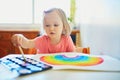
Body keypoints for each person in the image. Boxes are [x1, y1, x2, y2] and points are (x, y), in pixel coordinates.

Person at [11, 8, 85, 54]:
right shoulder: (42, 40)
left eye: (56, 25)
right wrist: (20, 37)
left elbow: (72, 55)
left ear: (64, 26)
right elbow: (27, 43)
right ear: (44, 27)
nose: (51, 28)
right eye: (47, 25)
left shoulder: (67, 39)